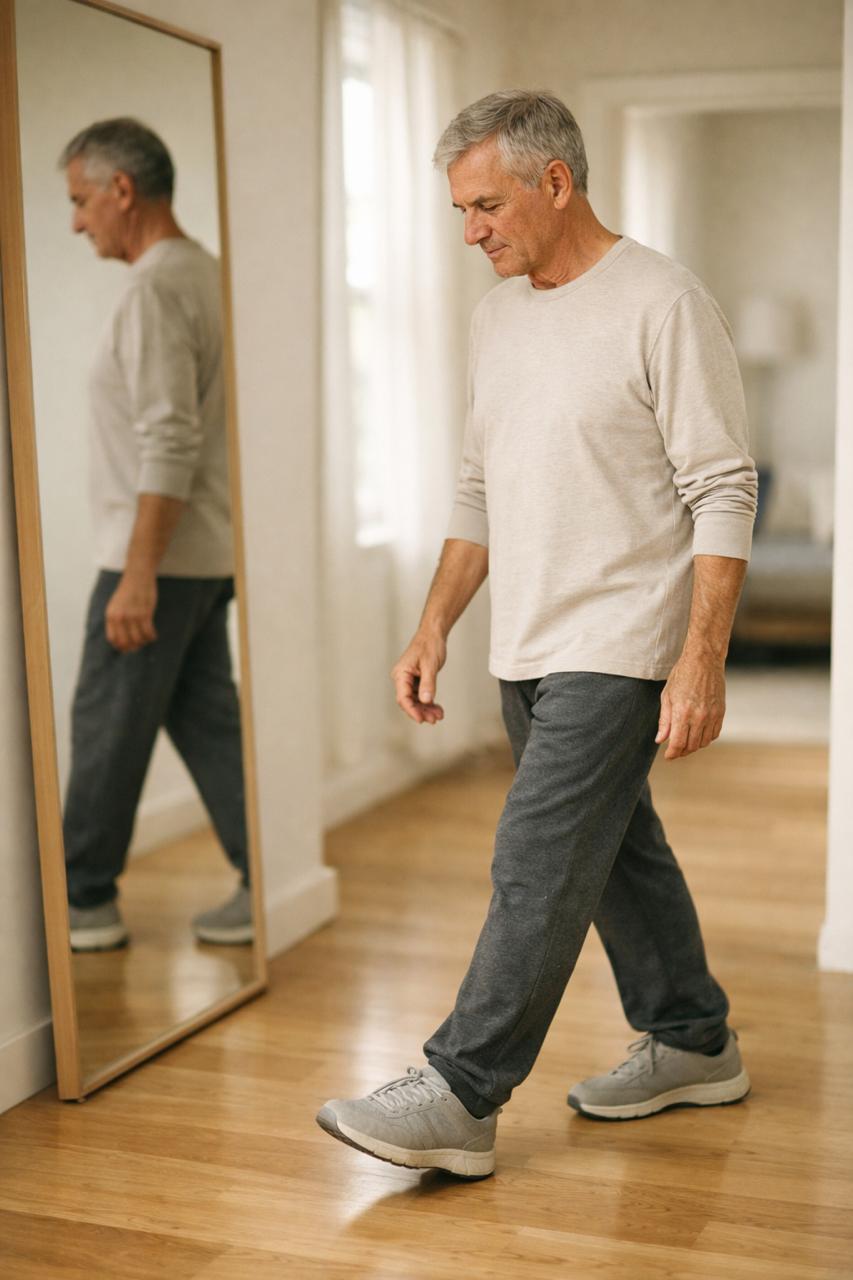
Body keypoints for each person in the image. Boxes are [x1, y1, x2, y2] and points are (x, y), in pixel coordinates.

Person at [316, 91, 757, 1179]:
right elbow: (479, 486)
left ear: (554, 182)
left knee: (535, 858)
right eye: (460, 210)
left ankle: (462, 1090)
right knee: (612, 856)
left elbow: (722, 484)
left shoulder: (663, 301)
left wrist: (699, 654)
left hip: (619, 637)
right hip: (526, 639)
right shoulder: (498, 314)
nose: (469, 231)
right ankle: (692, 1037)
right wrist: (432, 625)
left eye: (483, 205)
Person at [59, 118, 252, 952]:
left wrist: (137, 576)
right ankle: (268, 875)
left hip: (158, 561)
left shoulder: (153, 288)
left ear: (121, 191)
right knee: (209, 724)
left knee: (107, 725)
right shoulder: (207, 275)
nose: (76, 222)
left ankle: (82, 901)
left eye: (79, 201)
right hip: (205, 554)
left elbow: (168, 437)